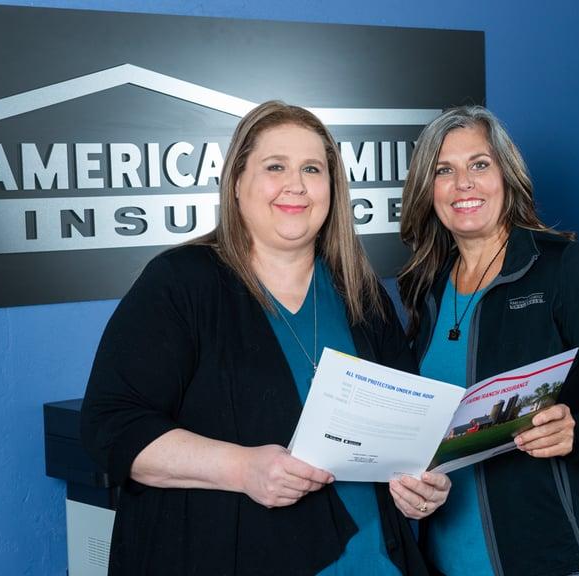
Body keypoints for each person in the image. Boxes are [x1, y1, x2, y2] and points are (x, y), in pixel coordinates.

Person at [80, 101, 450, 576]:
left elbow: (409, 435)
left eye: (312, 169)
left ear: (332, 190)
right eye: (275, 166)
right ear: (237, 183)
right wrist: (241, 469)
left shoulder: (361, 294)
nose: (295, 184)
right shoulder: (181, 283)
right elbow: (110, 426)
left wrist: (425, 485)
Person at [398, 106, 579, 576]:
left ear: (506, 174)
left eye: (479, 164)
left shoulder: (567, 268)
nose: (464, 183)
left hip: (557, 559)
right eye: (444, 170)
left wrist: (576, 431)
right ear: (427, 189)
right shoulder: (427, 286)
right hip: (448, 559)